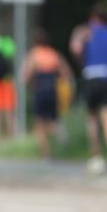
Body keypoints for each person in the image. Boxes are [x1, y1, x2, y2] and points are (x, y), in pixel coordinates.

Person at [70, 4, 107, 173]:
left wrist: (81, 61)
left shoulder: (84, 31)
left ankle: (96, 157)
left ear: (92, 18)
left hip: (92, 75)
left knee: (92, 117)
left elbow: (76, 49)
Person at [21, 29, 74, 159]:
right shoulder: (54, 54)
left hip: (39, 91)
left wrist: (29, 82)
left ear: (35, 42)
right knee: (53, 118)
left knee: (40, 123)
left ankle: (46, 154)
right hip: (52, 90)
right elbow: (67, 73)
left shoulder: (34, 55)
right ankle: (59, 131)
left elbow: (25, 76)